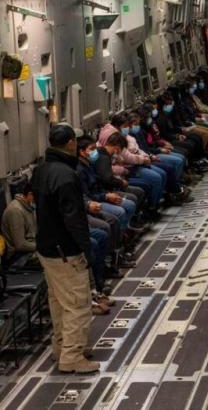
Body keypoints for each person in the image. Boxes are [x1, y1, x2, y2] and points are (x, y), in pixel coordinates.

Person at [31, 124, 98, 373]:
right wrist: (86, 250)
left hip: (46, 248)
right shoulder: (67, 176)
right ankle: (72, 357)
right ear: (70, 143)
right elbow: (74, 218)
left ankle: (62, 346)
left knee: (58, 302)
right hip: (64, 251)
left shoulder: (41, 170)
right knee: (78, 304)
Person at [1, 178, 37, 270]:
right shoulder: (16, 211)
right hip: (17, 257)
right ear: (29, 195)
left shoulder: (29, 207)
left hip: (29, 249)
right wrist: (41, 246)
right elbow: (20, 245)